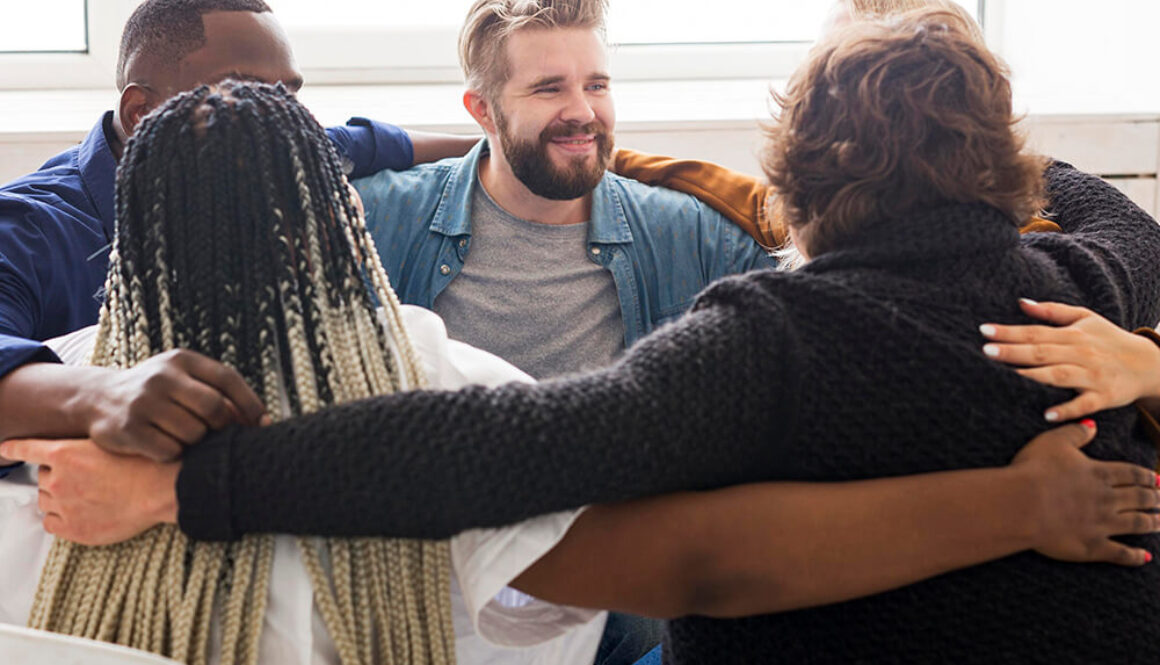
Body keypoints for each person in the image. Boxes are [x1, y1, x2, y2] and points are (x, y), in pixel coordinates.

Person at [10, 6, 1160, 663]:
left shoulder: (770, 335)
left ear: (795, 170)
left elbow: (500, 447)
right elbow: (1121, 217)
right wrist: (970, 133)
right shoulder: (1078, 285)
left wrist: (180, 488)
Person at [1, 80, 613, 665]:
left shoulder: (47, 418)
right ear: (335, 222)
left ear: (130, 241)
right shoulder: (447, 384)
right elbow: (561, 603)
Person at [0, 0, 480, 471]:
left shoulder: (270, 146)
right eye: (244, 90)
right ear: (141, 112)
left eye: (287, 95)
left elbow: (369, 141)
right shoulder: (30, 227)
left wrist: (491, 155)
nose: (277, 115)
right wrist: (100, 395)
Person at [352, 0, 775, 380]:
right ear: (483, 110)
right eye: (549, 88)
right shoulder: (376, 218)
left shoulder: (688, 232)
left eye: (596, 85)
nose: (583, 111)